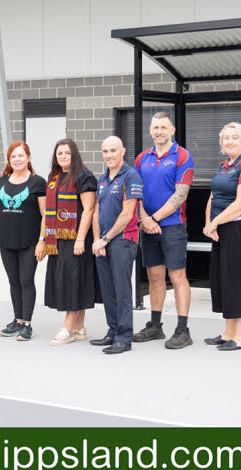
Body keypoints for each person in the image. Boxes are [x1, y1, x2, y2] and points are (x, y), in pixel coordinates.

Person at [134, 111, 194, 349]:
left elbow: (181, 194)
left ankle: (182, 330)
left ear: (172, 130)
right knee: (154, 277)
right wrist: (144, 220)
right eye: (155, 127)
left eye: (163, 127)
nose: (159, 131)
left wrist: (154, 219)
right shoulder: (141, 158)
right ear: (151, 130)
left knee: (177, 276)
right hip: (147, 226)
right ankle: (155, 326)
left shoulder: (182, 156)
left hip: (172, 226)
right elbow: (135, 193)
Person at [203, 122, 241, 351]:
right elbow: (213, 196)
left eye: (234, 138)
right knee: (223, 278)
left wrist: (215, 222)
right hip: (221, 228)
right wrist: (210, 224)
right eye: (226, 138)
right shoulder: (223, 166)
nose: (229, 141)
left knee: (237, 280)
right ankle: (228, 333)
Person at [0, 141, 46, 341]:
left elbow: (46, 215)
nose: (17, 159)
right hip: (7, 241)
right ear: (9, 160)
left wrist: (42, 240)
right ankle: (18, 320)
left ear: (28, 158)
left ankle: (27, 324)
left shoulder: (38, 182)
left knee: (26, 280)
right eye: (13, 156)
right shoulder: (1, 183)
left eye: (21, 155)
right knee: (14, 282)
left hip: (29, 241)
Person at [42, 138, 98, 346]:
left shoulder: (84, 175)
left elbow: (89, 209)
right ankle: (79, 327)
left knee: (74, 279)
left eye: (67, 153)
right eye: (60, 153)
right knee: (69, 279)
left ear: (74, 154)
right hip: (57, 238)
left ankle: (67, 326)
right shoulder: (54, 177)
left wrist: (80, 239)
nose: (63, 156)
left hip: (76, 236)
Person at [91, 136, 143, 354]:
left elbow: (127, 213)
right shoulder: (102, 179)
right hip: (103, 241)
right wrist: (97, 240)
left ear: (123, 151)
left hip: (123, 240)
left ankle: (124, 337)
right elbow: (96, 212)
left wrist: (106, 238)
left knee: (122, 289)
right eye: (105, 151)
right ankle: (113, 331)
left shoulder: (131, 176)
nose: (109, 155)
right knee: (108, 289)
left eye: (113, 150)